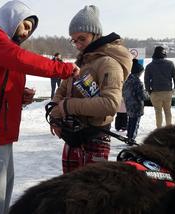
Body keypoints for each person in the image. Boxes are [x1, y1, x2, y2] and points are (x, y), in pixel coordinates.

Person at [0, 1, 79, 213]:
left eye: (30, 30)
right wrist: (63, 68)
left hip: (0, 132)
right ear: (11, 18)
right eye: (25, 25)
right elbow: (21, 59)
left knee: (1, 193)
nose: (26, 33)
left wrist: (19, 94)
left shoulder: (0, 42)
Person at [49, 5, 132, 174]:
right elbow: (62, 90)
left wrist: (67, 106)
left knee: (91, 195)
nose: (78, 45)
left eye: (82, 39)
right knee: (68, 191)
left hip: (95, 137)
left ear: (96, 35)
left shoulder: (108, 63)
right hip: (72, 136)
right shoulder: (82, 62)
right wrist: (55, 115)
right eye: (74, 40)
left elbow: (110, 104)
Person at [144, 46, 175, 128]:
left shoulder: (149, 66)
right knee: (167, 111)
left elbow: (146, 80)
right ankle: (169, 128)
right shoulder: (170, 64)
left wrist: (148, 90)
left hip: (155, 92)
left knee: (158, 112)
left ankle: (159, 129)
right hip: (167, 91)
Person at [123, 59, 146, 142]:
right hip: (136, 105)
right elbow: (142, 96)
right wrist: (146, 95)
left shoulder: (127, 80)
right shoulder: (138, 82)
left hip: (128, 104)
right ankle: (132, 138)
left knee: (130, 120)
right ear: (138, 72)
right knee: (135, 122)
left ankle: (129, 135)